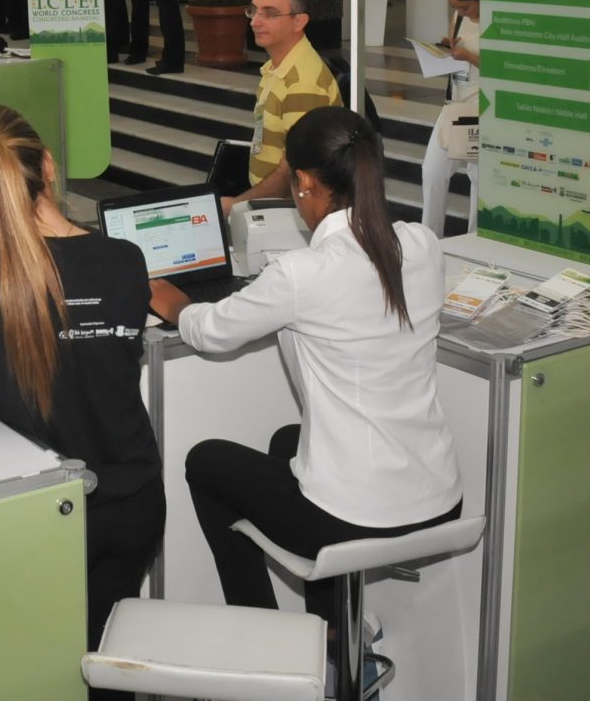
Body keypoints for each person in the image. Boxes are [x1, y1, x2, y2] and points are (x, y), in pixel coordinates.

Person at [149, 107, 462, 628]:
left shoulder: (303, 274)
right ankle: (336, 637)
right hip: (438, 498)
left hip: (356, 515)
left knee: (205, 462)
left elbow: (210, 331)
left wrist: (173, 303)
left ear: (305, 183)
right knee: (286, 442)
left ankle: (265, 638)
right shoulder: (422, 245)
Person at [0, 104, 163, 667]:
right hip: (134, 504)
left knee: (41, 668)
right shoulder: (125, 259)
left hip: (39, 514)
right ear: (50, 167)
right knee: (111, 658)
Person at [223, 0, 342, 210]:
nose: (255, 21)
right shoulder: (277, 68)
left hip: (290, 209)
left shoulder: (302, 82)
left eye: (269, 13)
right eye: (254, 10)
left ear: (299, 22)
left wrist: (237, 205)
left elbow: (293, 171)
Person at [422, 0, 483, 236]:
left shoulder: (498, 20)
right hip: (455, 104)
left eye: (465, 7)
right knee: (432, 171)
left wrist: (468, 56)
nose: (460, 13)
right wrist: (447, 49)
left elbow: (507, 68)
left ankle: (475, 238)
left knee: (478, 176)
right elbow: (456, 52)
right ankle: (429, 235)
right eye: (455, 7)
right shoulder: (459, 19)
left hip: (482, 105)